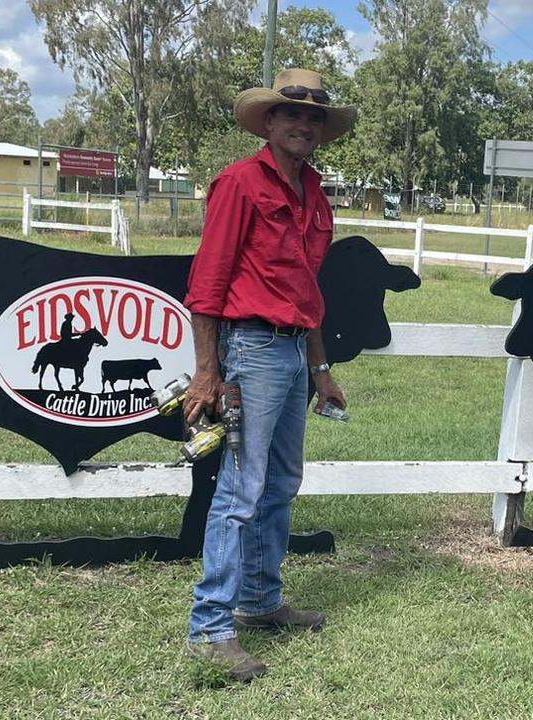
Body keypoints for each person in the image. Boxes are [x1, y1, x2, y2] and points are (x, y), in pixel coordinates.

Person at [182, 68, 355, 682]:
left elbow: (306, 289)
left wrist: (321, 366)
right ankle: (210, 628)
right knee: (241, 488)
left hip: (290, 352)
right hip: (250, 349)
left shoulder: (313, 190)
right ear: (269, 122)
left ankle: (259, 601)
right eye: (292, 115)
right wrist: (207, 372)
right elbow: (207, 283)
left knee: (281, 480)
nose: (303, 124)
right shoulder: (238, 183)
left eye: (313, 119)